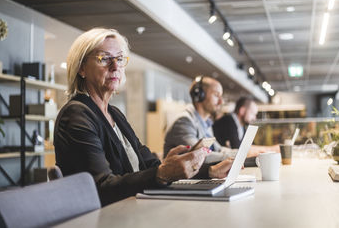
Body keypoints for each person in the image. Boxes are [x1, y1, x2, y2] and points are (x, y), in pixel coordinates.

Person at [54, 28, 233, 206]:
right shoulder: (77, 115)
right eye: (105, 58)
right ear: (81, 68)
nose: (115, 66)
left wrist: (209, 171)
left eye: (119, 58)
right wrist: (162, 173)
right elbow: (101, 187)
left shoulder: (115, 113)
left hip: (133, 207)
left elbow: (149, 166)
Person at [164, 76, 237, 164]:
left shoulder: (206, 123)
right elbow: (200, 156)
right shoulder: (183, 122)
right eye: (216, 95)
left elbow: (218, 149)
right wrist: (238, 156)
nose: (221, 102)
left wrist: (242, 152)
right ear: (199, 95)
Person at [213, 96, 279, 156]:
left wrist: (270, 150)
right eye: (252, 114)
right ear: (242, 111)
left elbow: (249, 145)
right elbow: (239, 149)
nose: (254, 118)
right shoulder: (228, 121)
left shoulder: (241, 126)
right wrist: (271, 149)